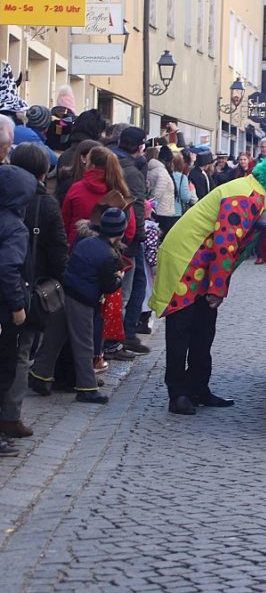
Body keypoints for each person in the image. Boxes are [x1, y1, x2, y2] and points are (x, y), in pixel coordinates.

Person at [149, 154, 266, 415]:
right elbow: (225, 244)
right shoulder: (246, 197)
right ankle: (177, 393)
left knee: (204, 330)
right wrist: (217, 289)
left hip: (202, 263)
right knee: (182, 330)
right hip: (187, 262)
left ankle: (199, 387)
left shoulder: (252, 191)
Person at [0, 144, 68, 439]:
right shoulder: (44, 204)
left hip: (17, 287)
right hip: (27, 289)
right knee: (21, 353)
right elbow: (57, 250)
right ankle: (11, 416)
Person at [30, 208, 127, 404]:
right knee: (84, 344)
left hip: (64, 293)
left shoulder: (85, 242)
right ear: (120, 232)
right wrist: (119, 278)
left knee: (53, 339)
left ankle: (39, 376)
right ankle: (87, 387)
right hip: (82, 301)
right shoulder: (108, 255)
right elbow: (109, 287)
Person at [0, 163, 37, 456]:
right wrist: (17, 306)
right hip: (3, 309)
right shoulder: (14, 227)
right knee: (5, 368)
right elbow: (8, 267)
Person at [108, 127, 151, 357]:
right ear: (140, 146)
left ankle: (124, 334)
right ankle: (122, 335)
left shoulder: (108, 158)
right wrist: (140, 233)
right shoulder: (131, 171)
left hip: (114, 231)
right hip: (128, 236)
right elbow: (136, 206)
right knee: (131, 286)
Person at [146, 146, 177, 233]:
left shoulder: (151, 170)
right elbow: (158, 193)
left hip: (157, 210)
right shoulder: (162, 172)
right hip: (163, 211)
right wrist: (152, 205)